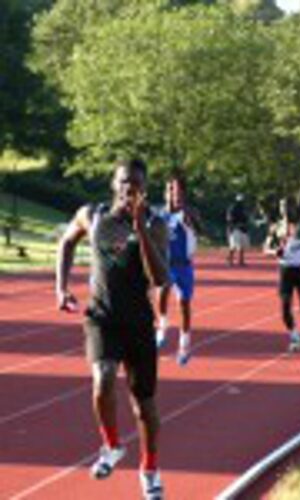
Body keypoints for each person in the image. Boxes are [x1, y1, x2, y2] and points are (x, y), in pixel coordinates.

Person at [55, 159, 168, 500]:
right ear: (113, 184)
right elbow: (67, 242)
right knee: (102, 379)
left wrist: (141, 228)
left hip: (138, 322)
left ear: (144, 188)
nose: (128, 189)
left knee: (143, 404)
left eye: (135, 184)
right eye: (123, 182)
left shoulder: (154, 223)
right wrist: (61, 288)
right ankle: (112, 446)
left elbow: (159, 278)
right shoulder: (93, 215)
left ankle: (149, 470)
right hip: (102, 317)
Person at [264, 202, 300, 351]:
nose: (286, 212)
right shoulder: (277, 228)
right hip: (286, 270)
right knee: (285, 306)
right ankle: (294, 336)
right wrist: (275, 252)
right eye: (283, 209)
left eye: (288, 209)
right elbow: (266, 248)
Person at [155, 174, 199, 366]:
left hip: (184, 266)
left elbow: (200, 228)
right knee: (162, 291)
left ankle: (184, 344)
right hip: (166, 264)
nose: (175, 194)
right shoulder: (160, 215)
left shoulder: (189, 213)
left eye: (179, 191)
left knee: (184, 305)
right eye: (171, 190)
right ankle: (162, 324)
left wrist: (191, 222)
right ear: (166, 193)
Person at [226, 194, 250, 266]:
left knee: (242, 246)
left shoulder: (244, 209)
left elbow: (246, 219)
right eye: (240, 200)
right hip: (234, 229)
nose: (241, 202)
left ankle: (241, 261)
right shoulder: (232, 208)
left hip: (243, 229)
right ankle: (230, 261)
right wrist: (235, 225)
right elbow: (229, 219)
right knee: (233, 246)